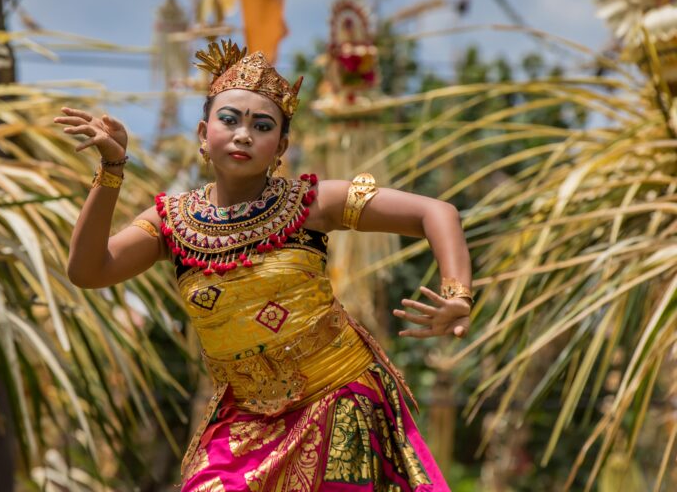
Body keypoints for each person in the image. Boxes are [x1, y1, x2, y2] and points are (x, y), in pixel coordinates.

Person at [57, 40, 471, 492]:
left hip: (338, 400)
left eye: (262, 125)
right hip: (242, 422)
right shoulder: (171, 222)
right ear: (202, 132)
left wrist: (457, 294)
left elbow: (437, 213)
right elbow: (88, 270)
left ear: (281, 145)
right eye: (229, 120)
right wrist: (113, 168)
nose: (243, 134)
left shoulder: (313, 204)